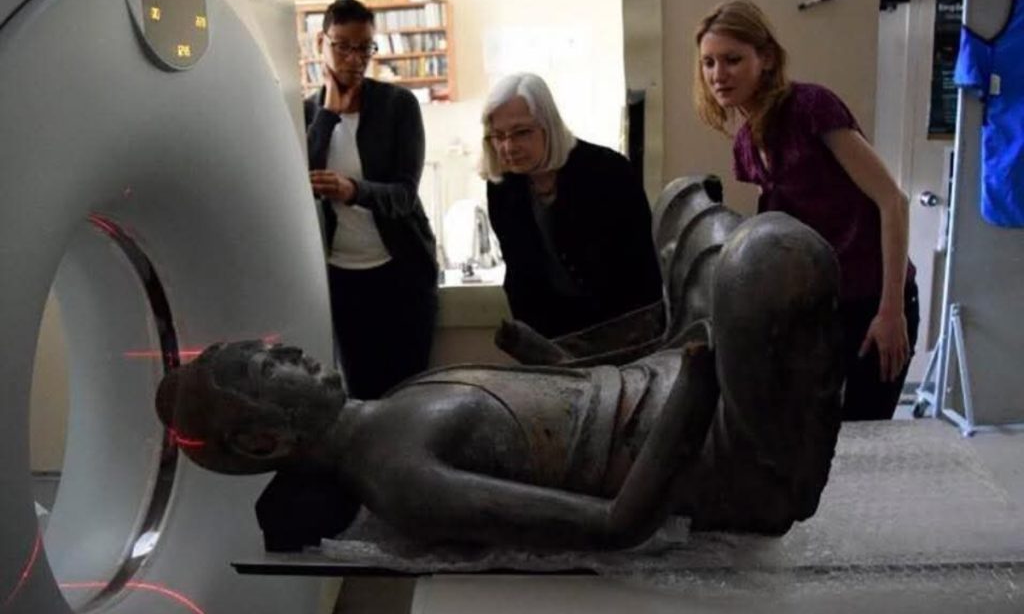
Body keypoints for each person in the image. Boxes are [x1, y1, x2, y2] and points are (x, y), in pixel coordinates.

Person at [155, 211, 844, 551]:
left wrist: (547, 356)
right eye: (265, 366)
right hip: (719, 453)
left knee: (692, 211)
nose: (287, 352)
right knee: (768, 256)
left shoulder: (391, 407)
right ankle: (782, 476)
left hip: (672, 378)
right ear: (264, 438)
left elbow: (569, 405)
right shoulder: (400, 479)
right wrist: (696, 384)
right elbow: (616, 524)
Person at [693, 0, 920, 421]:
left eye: (732, 60)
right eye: (709, 62)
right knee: (808, 437)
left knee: (865, 435)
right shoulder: (746, 144)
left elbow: (893, 201)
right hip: (818, 307)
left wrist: (890, 312)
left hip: (874, 299)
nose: (718, 75)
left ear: (766, 58)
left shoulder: (811, 107)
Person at [305, 0, 438, 400]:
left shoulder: (398, 106)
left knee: (411, 395)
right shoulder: (306, 112)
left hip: (401, 274)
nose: (355, 59)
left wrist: (354, 190)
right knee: (361, 398)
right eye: (342, 46)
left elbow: (404, 195)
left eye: (364, 48)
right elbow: (299, 183)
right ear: (320, 43)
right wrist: (328, 113)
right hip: (341, 279)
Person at [481, 73, 663, 339]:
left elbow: (640, 271)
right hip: (549, 332)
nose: (509, 147)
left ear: (548, 125)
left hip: (623, 326)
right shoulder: (502, 186)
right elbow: (519, 273)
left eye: (522, 132)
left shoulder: (608, 171)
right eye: (498, 136)